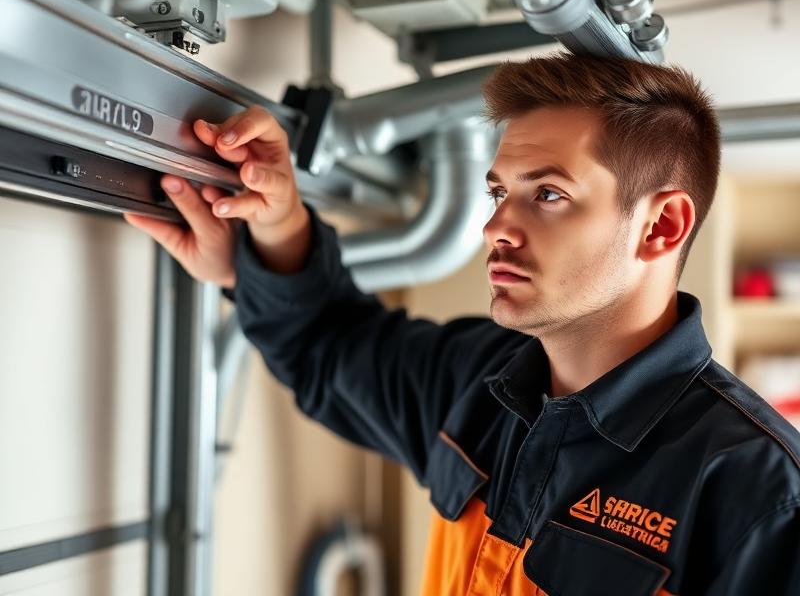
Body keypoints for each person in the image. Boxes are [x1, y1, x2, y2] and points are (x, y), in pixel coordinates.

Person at [125, 52, 800, 595]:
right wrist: (269, 234)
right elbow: (327, 346)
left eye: (549, 194)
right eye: (501, 192)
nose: (497, 227)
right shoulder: (482, 386)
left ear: (662, 225)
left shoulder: (755, 491)